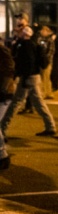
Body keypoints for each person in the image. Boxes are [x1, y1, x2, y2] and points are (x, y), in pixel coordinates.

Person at [0, 27, 57, 138]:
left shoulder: (25, 46)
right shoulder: (34, 44)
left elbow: (27, 63)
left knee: (15, 103)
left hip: (27, 78)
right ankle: (50, 126)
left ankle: (2, 128)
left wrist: (24, 78)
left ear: (24, 34)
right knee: (38, 103)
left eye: (21, 32)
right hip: (34, 77)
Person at [0, 41, 14, 169]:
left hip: (3, 94)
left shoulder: (3, 51)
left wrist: (3, 90)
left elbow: (9, 70)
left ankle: (3, 156)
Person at [37, 25, 55, 100]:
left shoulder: (50, 40)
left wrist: (46, 60)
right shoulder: (39, 39)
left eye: (44, 31)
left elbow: (51, 52)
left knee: (45, 77)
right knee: (44, 77)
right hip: (41, 61)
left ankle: (46, 93)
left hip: (47, 61)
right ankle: (47, 92)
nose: (42, 32)